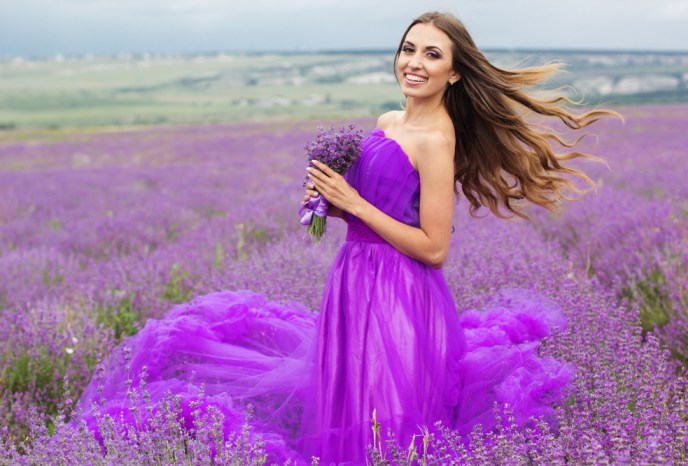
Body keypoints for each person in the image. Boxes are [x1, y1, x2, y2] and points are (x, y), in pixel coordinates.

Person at [73, 11, 617, 465]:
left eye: (432, 54)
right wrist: (330, 205)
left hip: (402, 293)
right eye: (409, 49)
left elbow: (434, 247)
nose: (414, 63)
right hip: (352, 282)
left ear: (454, 73)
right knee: (348, 409)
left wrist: (355, 202)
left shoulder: (436, 138)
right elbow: (374, 212)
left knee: (387, 422)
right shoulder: (387, 122)